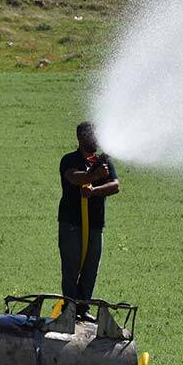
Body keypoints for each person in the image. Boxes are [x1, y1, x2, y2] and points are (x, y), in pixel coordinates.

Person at [58, 122, 120, 320]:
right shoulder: (69, 160)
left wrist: (94, 191)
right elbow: (75, 178)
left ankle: (83, 309)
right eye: (93, 136)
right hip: (71, 224)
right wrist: (93, 175)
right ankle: (69, 309)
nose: (97, 139)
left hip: (95, 224)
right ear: (81, 138)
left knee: (91, 268)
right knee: (71, 267)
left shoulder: (104, 162)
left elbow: (115, 186)